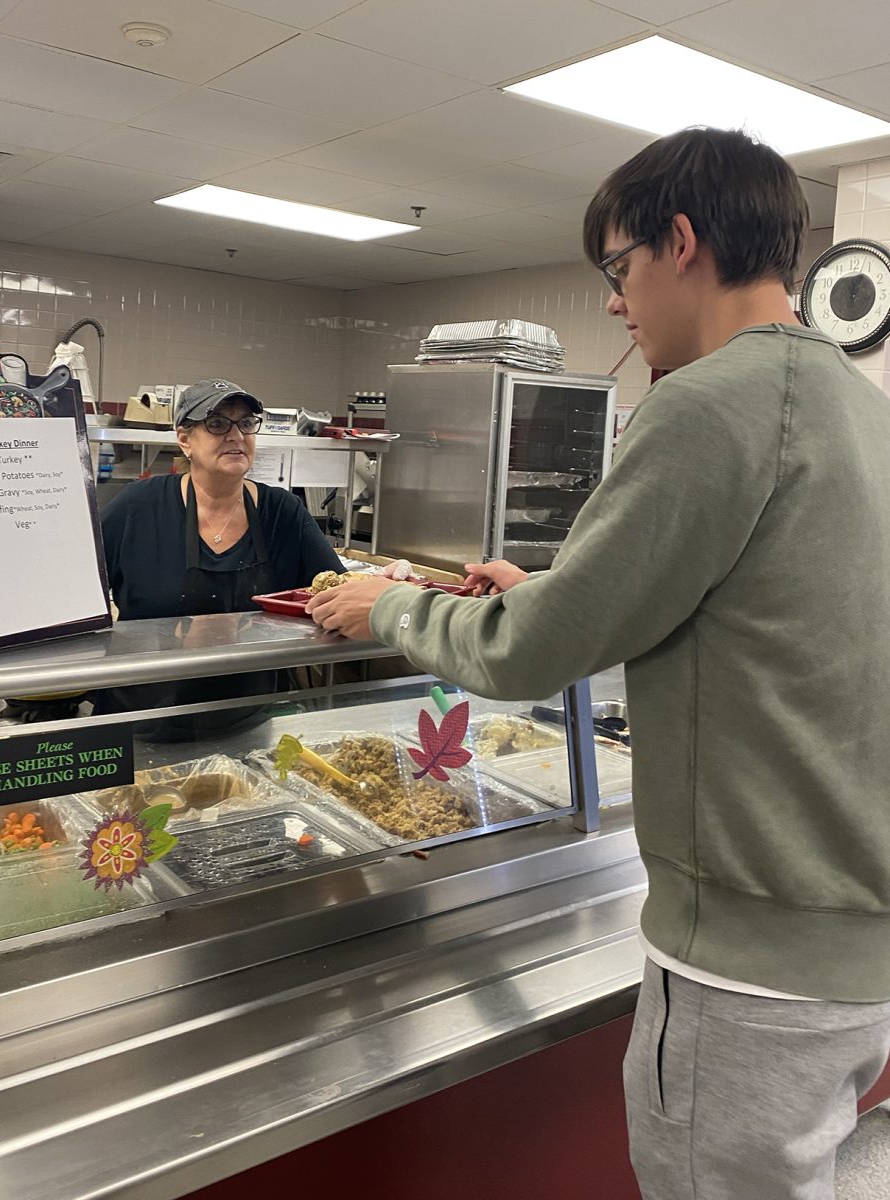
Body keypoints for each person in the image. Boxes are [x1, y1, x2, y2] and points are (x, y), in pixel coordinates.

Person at [306, 127, 890, 1199]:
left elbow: (528, 658)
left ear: (677, 242)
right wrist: (549, 588)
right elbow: (751, 615)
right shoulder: (853, 402)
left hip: (746, 960)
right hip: (849, 942)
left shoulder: (710, 401)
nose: (615, 304)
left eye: (616, 270)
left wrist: (387, 603)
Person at [0, 378, 342, 742]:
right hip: (140, 723)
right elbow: (57, 597)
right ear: (185, 440)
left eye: (246, 423)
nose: (236, 435)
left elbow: (339, 591)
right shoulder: (139, 507)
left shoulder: (282, 512)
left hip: (247, 721)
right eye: (218, 423)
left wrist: (388, 585)